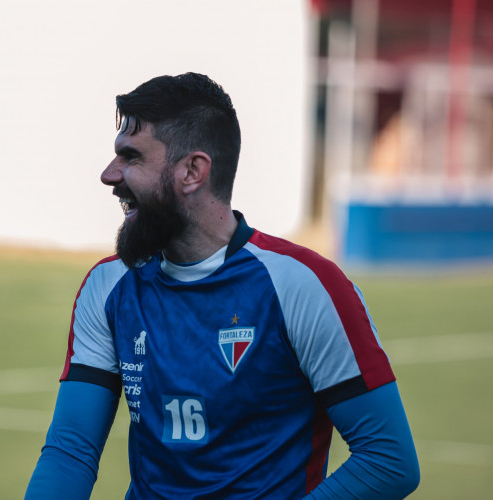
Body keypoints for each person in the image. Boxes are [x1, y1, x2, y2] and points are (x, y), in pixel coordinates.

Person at [25, 73, 420, 499]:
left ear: (193, 172)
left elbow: (387, 458)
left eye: (132, 158)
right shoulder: (108, 285)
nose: (109, 174)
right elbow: (71, 451)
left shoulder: (302, 286)